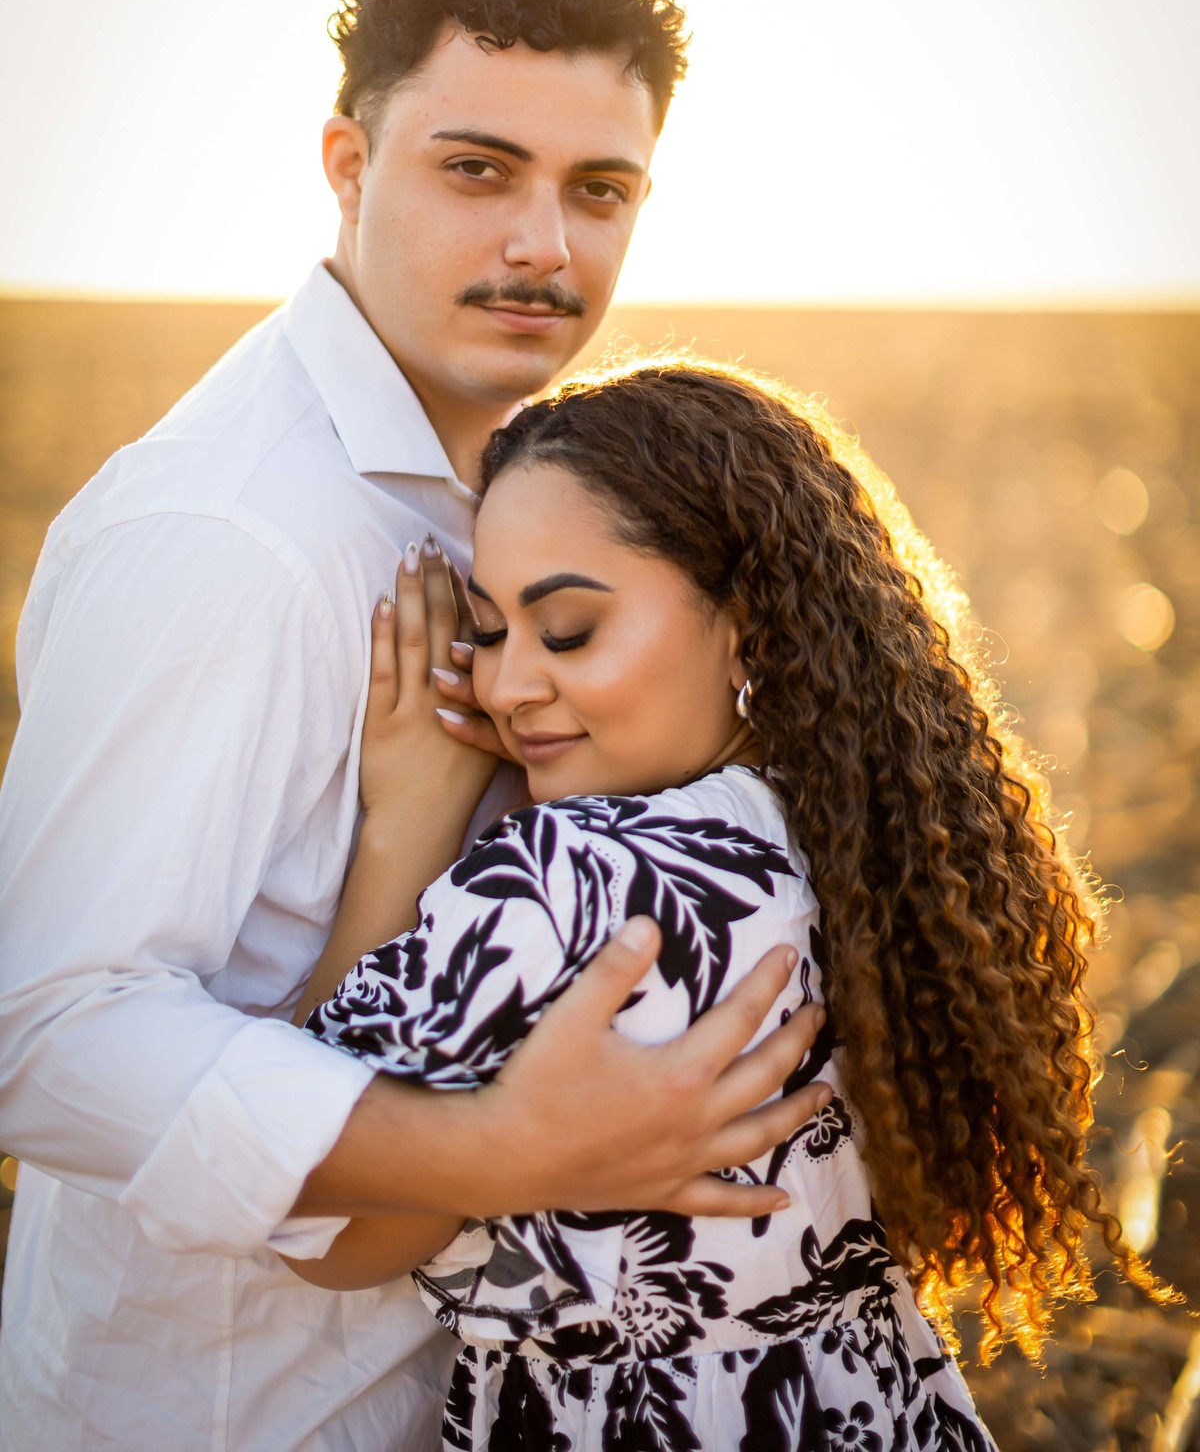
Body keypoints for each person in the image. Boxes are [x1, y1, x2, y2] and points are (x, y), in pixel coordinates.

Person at [0, 0, 826, 1451]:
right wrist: (502, 1150)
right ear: (348, 163)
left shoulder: (532, 492)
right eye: (478, 170)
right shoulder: (230, 534)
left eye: (599, 190)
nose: (544, 246)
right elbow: (47, 1033)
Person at [284, 360, 1163, 1450]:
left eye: (567, 631)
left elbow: (322, 1219)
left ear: (746, 622)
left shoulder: (571, 880)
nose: (507, 688)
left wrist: (408, 817)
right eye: (491, 631)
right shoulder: (881, 839)